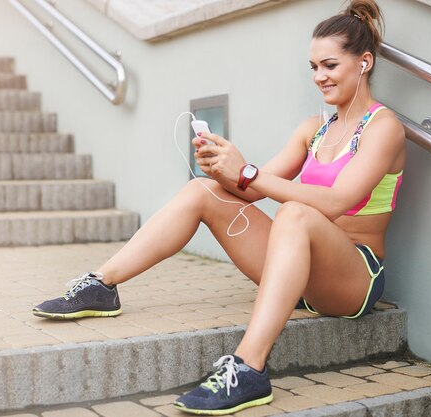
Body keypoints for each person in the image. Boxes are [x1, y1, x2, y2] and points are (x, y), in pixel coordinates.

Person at [33, 0, 405, 414]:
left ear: (365, 62)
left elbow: (338, 201)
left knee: (297, 213)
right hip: (300, 270)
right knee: (204, 191)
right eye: (313, 67)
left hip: (353, 276)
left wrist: (247, 172)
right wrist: (226, 168)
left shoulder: (384, 127)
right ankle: (102, 286)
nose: (319, 76)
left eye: (330, 65)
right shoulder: (314, 130)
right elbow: (252, 190)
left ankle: (248, 368)